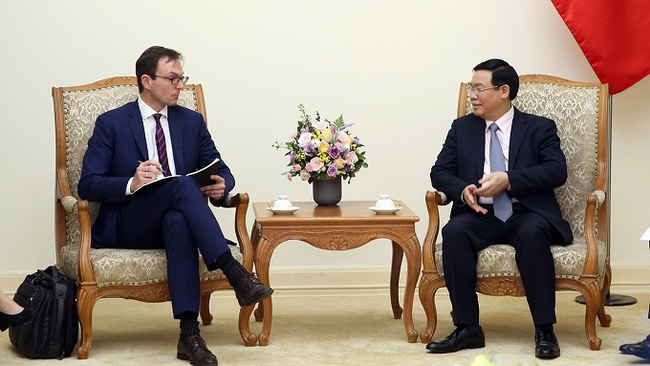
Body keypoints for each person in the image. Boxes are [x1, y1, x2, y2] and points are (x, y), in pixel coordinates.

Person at [78, 46, 273, 366]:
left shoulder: (190, 122)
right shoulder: (112, 123)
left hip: (176, 221)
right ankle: (235, 272)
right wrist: (131, 182)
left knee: (178, 220)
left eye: (183, 78)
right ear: (147, 81)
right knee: (182, 185)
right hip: (131, 223)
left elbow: (221, 169)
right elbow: (87, 184)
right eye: (173, 78)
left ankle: (189, 335)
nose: (181, 85)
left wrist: (224, 185)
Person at [426, 59, 572, 360]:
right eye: (472, 89)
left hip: (525, 212)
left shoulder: (539, 127)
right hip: (480, 214)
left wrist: (509, 180)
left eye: (480, 89)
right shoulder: (462, 128)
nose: (473, 96)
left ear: (504, 91)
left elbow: (557, 171)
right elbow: (440, 171)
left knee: (532, 233)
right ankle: (467, 328)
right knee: (454, 231)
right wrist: (461, 190)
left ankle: (545, 329)